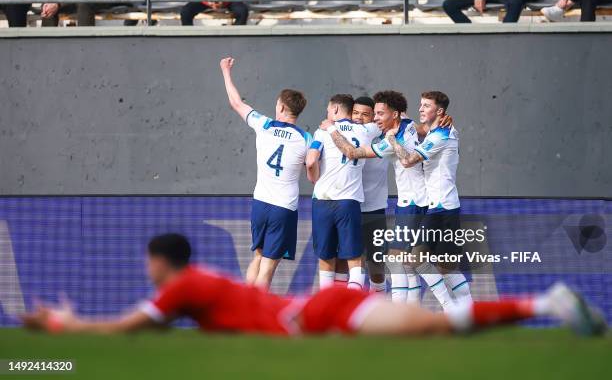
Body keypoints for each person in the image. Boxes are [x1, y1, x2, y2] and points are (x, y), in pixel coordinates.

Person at [20, 233, 607, 338]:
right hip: (319, 312)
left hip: (321, 314)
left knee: (436, 325)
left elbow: (128, 328)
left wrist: (64, 327)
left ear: (157, 262)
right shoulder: (194, 287)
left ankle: (548, 302)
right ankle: (546, 303)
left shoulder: (183, 287)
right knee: (438, 329)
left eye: (147, 262)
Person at [320, 91, 457, 310]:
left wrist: (332, 128)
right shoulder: (410, 124)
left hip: (413, 203)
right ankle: (410, 313)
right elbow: (424, 128)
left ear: (395, 114)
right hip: (416, 202)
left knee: (398, 260)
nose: (375, 118)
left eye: (379, 114)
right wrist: (441, 121)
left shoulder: (391, 140)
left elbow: (353, 152)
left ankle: (438, 308)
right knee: (406, 264)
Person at [220, 57, 310, 290]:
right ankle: (255, 316)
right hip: (284, 207)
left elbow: (236, 102)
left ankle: (245, 309)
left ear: (280, 107)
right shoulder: (305, 138)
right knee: (269, 267)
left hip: (260, 203)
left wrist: (226, 71)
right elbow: (311, 166)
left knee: (257, 257)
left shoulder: (264, 125)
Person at [386, 91, 472, 305]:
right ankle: (464, 310)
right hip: (439, 207)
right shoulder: (441, 130)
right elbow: (418, 126)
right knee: (439, 266)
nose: (421, 109)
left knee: (419, 260)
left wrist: (392, 140)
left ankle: (452, 308)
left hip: (443, 208)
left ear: (440, 111)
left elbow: (407, 160)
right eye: (420, 105)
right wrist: (400, 117)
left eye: (426, 106)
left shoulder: (440, 136)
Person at [306, 94, 381, 291]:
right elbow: (389, 120)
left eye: (329, 109)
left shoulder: (321, 131)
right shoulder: (367, 130)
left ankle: (327, 308)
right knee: (355, 259)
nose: (327, 113)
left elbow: (311, 161)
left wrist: (313, 177)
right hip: (349, 202)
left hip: (322, 200)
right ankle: (352, 308)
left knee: (326, 257)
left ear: (337, 110)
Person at [333, 96, 389, 294]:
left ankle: (379, 308)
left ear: (374, 117)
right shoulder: (340, 134)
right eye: (355, 113)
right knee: (342, 259)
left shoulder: (385, 137)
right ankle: (341, 308)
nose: (358, 118)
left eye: (365, 114)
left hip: (374, 209)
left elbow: (407, 123)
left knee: (376, 263)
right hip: (347, 206)